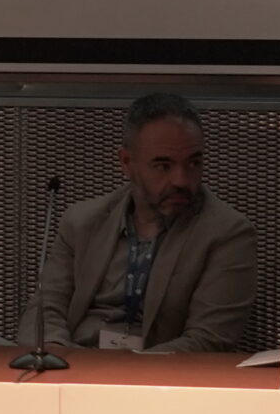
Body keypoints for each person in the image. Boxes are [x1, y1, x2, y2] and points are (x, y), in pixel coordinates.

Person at [19, 93, 259, 354]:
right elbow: (46, 308)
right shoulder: (82, 221)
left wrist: (124, 370)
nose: (181, 180)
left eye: (194, 163)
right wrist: (56, 354)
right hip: (74, 359)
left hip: (158, 370)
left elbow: (208, 340)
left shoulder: (227, 233)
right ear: (126, 163)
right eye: (163, 166)